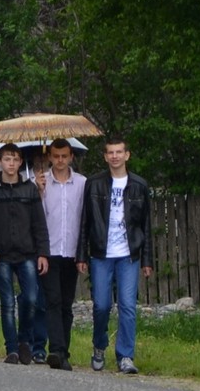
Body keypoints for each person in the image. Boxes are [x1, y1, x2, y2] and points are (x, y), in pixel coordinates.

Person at [78, 136, 154, 374]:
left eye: (119, 152)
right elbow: (85, 222)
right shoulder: (94, 183)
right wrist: (81, 255)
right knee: (101, 305)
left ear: (127, 155)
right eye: (110, 152)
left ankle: (125, 356)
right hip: (101, 253)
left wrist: (147, 260)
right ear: (105, 156)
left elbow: (147, 226)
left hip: (128, 255)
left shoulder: (139, 186)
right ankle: (99, 346)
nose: (115, 156)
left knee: (128, 306)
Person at [0, 142, 49, 364]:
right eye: (7, 159)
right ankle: (12, 348)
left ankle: (24, 341)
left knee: (31, 298)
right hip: (2, 255)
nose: (11, 163)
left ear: (20, 162)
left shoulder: (29, 189)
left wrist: (42, 253)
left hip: (27, 253)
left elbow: (39, 223)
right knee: (7, 302)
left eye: (15, 159)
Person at [36, 137, 88, 369]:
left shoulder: (82, 183)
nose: (59, 160)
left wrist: (83, 253)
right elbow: (35, 217)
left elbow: (85, 219)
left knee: (67, 303)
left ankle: (63, 350)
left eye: (64, 156)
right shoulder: (41, 182)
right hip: (49, 251)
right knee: (53, 301)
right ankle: (55, 350)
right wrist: (37, 191)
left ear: (71, 157)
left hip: (72, 251)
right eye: (55, 157)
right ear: (50, 157)